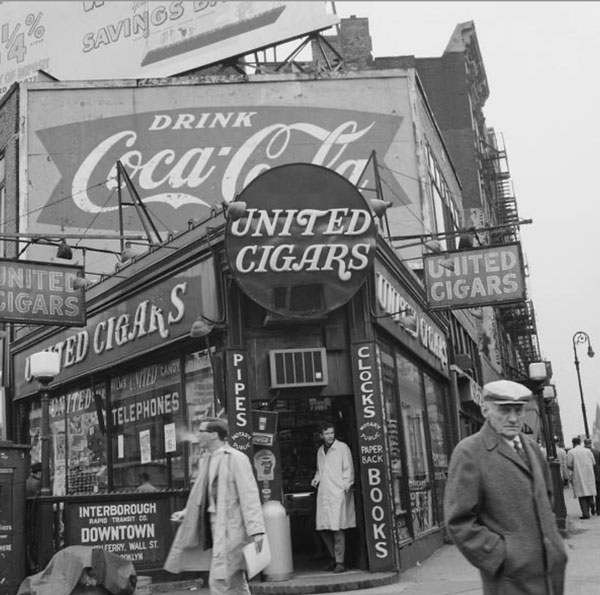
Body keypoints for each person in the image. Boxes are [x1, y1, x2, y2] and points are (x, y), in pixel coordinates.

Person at [444, 379, 568, 595]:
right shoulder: (469, 452)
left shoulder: (531, 447)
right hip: (510, 580)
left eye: (518, 410)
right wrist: (501, 555)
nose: (513, 418)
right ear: (485, 410)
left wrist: (555, 545)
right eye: (504, 410)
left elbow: (546, 498)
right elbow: (459, 521)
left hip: (549, 571)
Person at [164, 417, 265, 595]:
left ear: (213, 435)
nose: (197, 435)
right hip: (214, 529)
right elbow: (202, 495)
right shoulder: (207, 460)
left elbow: (249, 497)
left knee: (219, 580)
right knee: (234, 582)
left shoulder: (236, 458)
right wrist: (186, 512)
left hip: (232, 530)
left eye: (201, 432)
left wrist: (257, 531)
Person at [310, 422, 356, 574]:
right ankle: (334, 557)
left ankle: (340, 562)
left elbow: (348, 470)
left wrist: (344, 488)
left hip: (338, 494)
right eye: (327, 434)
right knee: (323, 529)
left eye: (331, 433)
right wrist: (316, 479)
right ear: (321, 435)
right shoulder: (320, 451)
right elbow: (320, 470)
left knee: (338, 529)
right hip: (324, 494)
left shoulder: (342, 448)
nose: (330, 436)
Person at [569, 437, 597, 518]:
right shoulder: (588, 451)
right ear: (580, 442)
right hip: (589, 474)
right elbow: (593, 462)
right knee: (589, 491)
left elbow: (569, 465)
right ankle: (592, 502)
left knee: (582, 495)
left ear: (573, 443)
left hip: (578, 475)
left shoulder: (571, 452)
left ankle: (585, 514)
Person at [584, 438, 600, 515]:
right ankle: (599, 510)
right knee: (598, 493)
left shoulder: (583, 453)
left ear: (584, 444)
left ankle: (591, 504)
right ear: (591, 443)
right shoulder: (597, 452)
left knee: (589, 492)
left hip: (587, 475)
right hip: (597, 475)